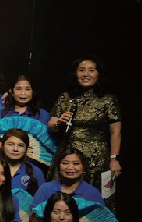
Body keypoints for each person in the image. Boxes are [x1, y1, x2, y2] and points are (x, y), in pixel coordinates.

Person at [49, 56, 121, 187]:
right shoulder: (65, 97)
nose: (86, 74)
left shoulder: (108, 100)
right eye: (81, 70)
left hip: (96, 158)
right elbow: (51, 124)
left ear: (98, 74)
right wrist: (58, 122)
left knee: (93, 194)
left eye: (91, 70)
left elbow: (115, 133)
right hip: (68, 155)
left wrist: (114, 159)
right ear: (75, 74)